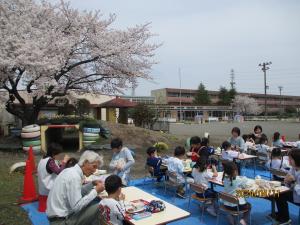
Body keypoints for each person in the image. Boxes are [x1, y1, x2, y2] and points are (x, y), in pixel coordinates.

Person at [46, 150, 105, 225]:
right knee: (102, 205)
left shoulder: (70, 171)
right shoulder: (74, 176)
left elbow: (77, 192)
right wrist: (96, 191)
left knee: (90, 203)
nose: (94, 171)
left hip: (56, 216)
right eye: (94, 167)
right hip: (60, 221)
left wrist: (92, 184)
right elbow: (77, 207)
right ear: (85, 162)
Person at [37, 143, 70, 211]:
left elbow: (54, 169)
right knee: (67, 183)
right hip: (48, 189)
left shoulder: (43, 159)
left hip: (42, 188)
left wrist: (60, 164)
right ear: (53, 153)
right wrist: (64, 162)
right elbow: (59, 172)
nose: (60, 156)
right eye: (59, 154)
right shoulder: (50, 162)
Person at [274, 149, 300, 224]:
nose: (289, 160)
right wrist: (287, 181)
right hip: (295, 193)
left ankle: (284, 218)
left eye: (291, 159)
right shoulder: (293, 168)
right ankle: (283, 215)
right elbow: (287, 181)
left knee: (281, 195)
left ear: (297, 159)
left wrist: (293, 182)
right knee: (278, 193)